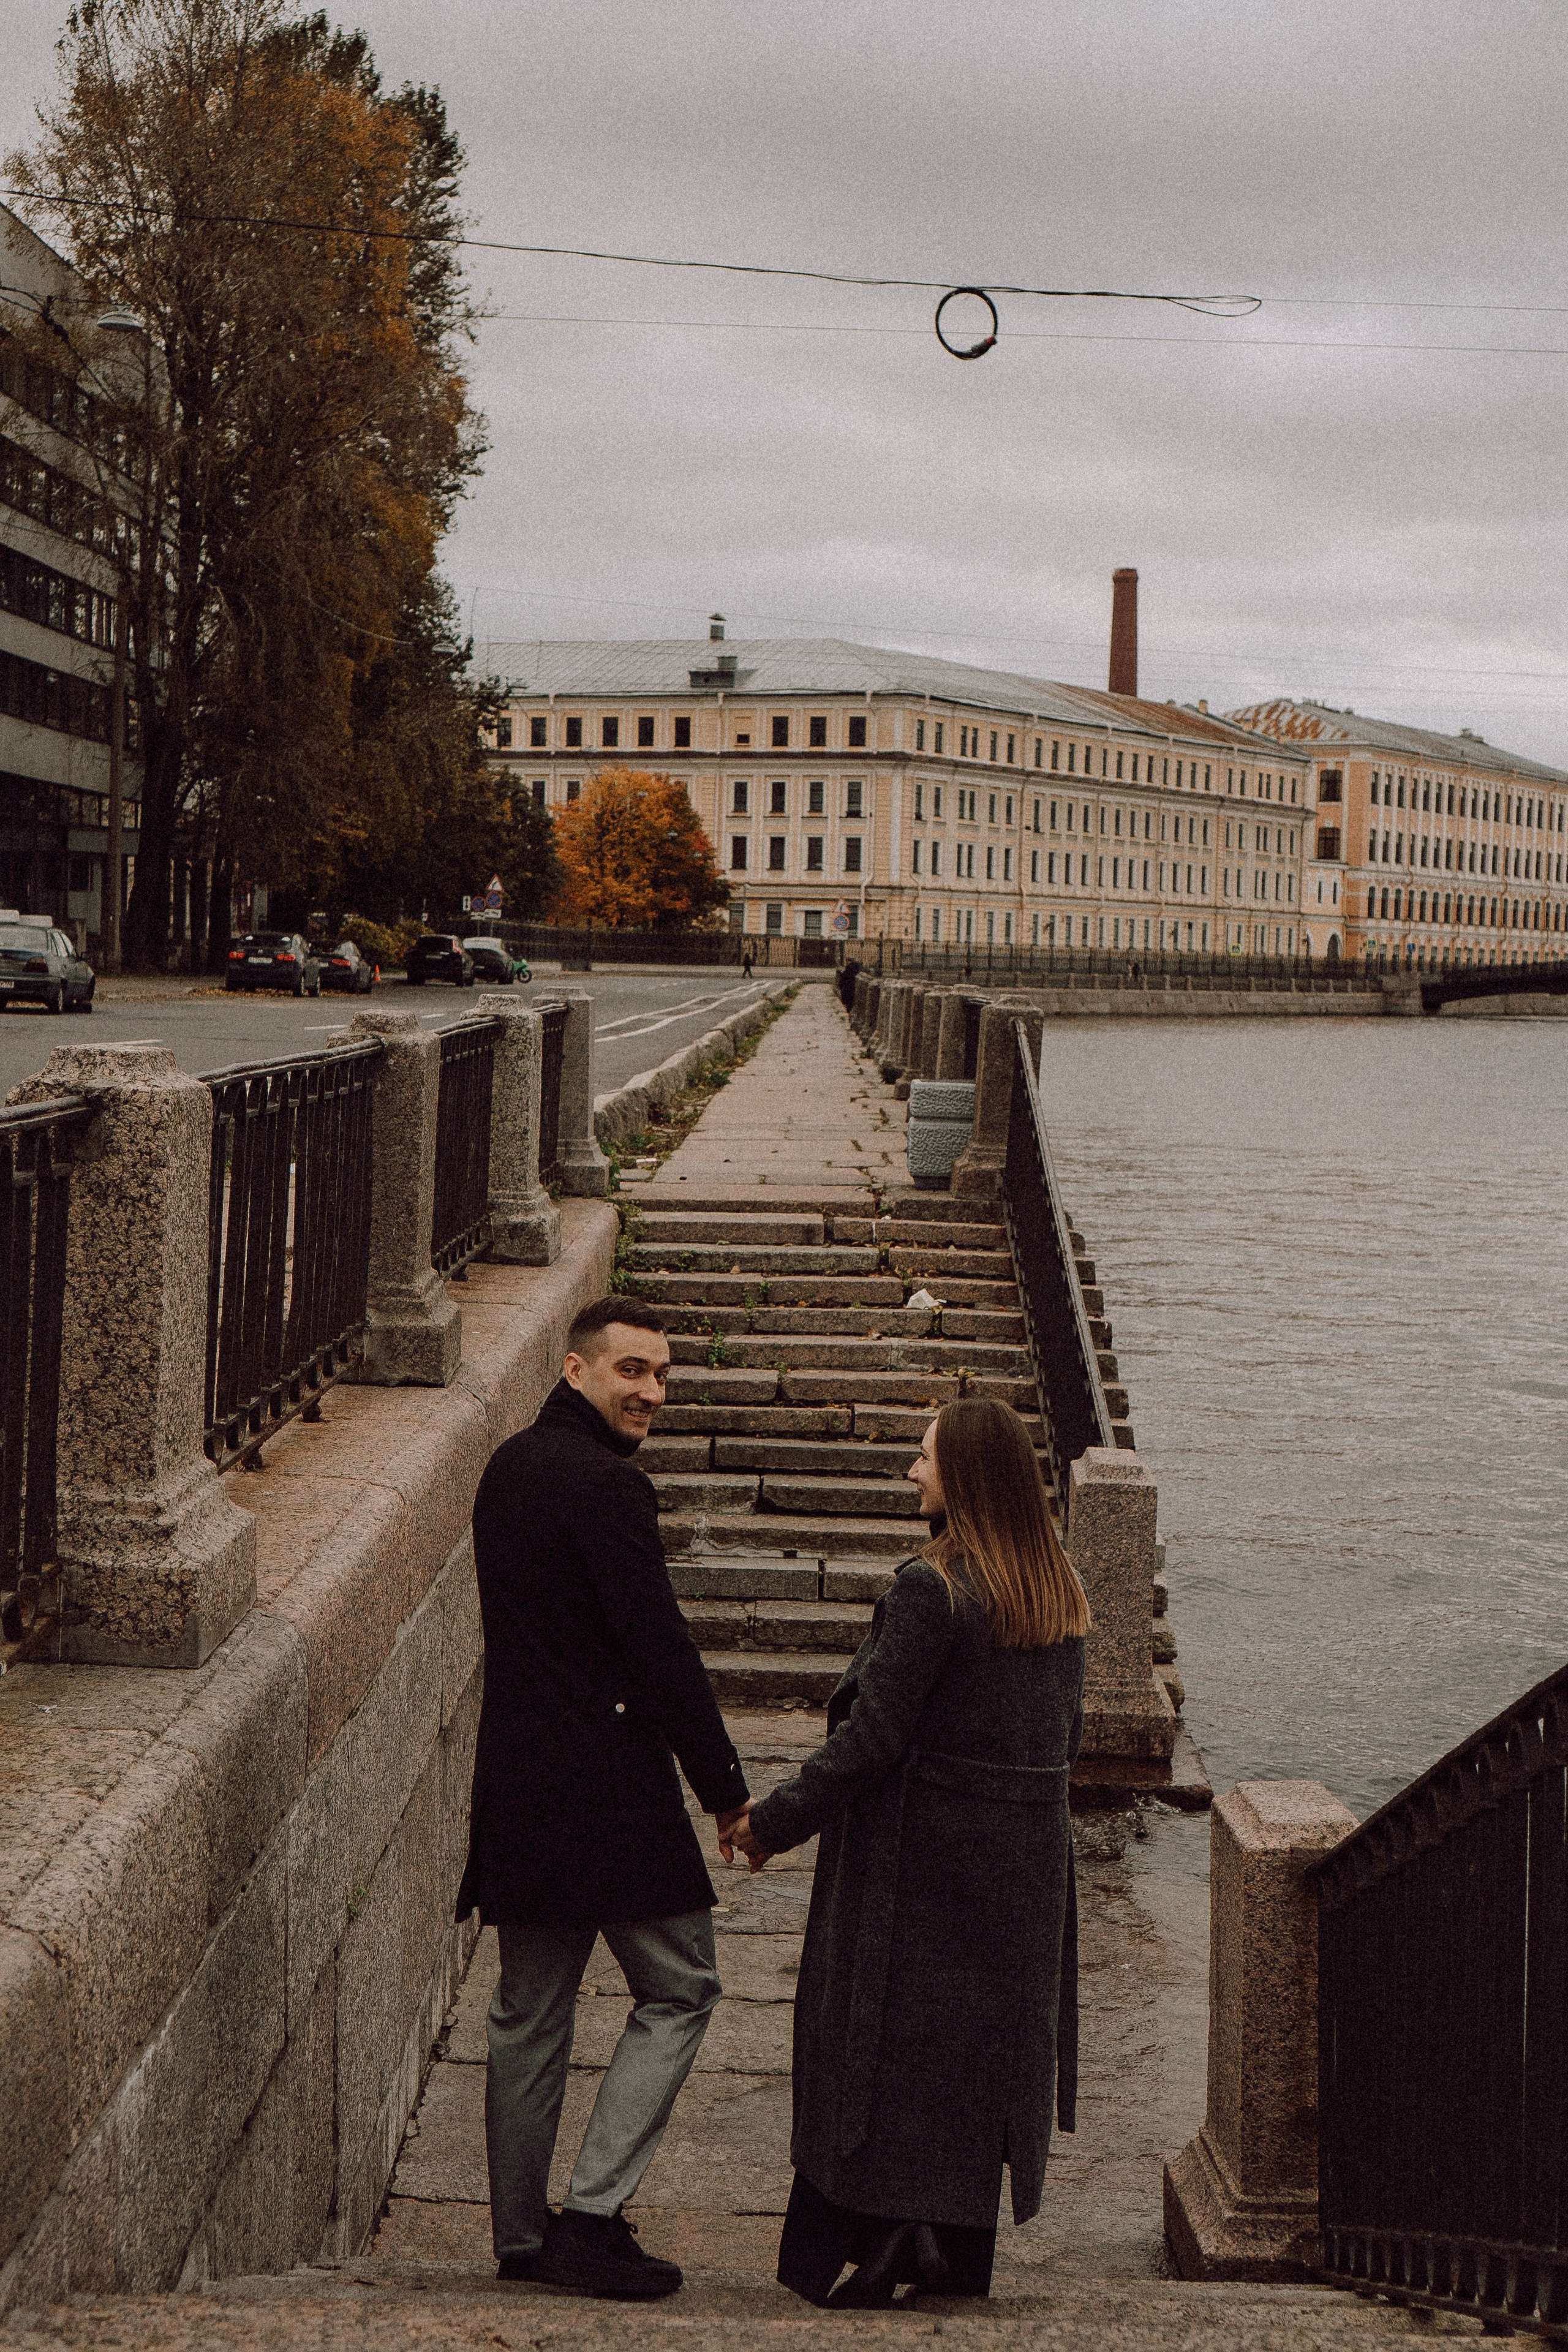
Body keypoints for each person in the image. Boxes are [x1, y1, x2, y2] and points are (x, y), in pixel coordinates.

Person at [725, 1397, 1090, 2308]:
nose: (912, 1473)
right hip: (1021, 1871)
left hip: (917, 1867)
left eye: (924, 1458)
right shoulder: (1059, 1590)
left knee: (879, 2055)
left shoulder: (934, 1589)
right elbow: (1064, 1737)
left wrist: (771, 1823)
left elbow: (872, 1740)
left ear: (963, 1477)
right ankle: (943, 2249)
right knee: (969, 2067)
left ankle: (884, 2239)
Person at [455, 1296, 749, 2301]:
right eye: (632, 1370)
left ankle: (520, 2237)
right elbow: (658, 1646)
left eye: (662, 1374)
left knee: (527, 2014)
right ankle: (589, 2217)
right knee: (683, 1987)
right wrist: (724, 1791)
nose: (652, 1391)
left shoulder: (508, 1468)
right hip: (609, 1794)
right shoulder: (609, 1487)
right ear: (575, 1370)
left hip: (519, 1787)